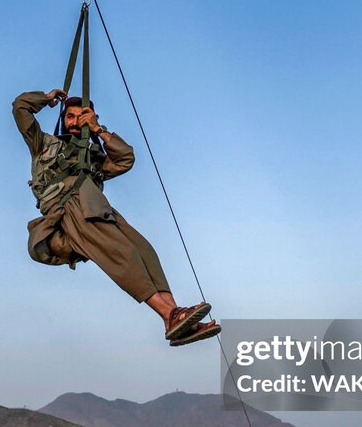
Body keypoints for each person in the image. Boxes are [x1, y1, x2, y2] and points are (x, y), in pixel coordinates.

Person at [13, 88, 220, 346]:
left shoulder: (93, 157)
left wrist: (99, 130)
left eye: (82, 116)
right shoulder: (44, 144)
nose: (76, 121)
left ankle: (175, 319)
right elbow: (20, 108)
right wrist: (46, 99)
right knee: (123, 256)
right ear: (63, 120)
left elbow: (125, 159)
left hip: (99, 210)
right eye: (70, 116)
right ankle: (170, 314)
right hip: (70, 210)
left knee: (145, 251)